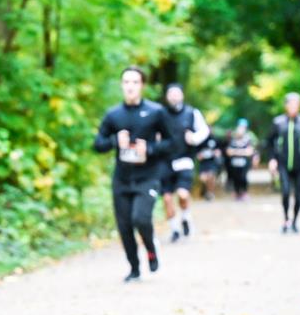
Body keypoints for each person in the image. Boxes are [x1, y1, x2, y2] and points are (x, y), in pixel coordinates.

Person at [94, 66, 174, 282]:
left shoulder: (156, 112)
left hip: (148, 176)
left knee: (140, 218)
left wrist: (149, 149)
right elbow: (98, 144)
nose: (130, 86)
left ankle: (151, 250)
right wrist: (114, 141)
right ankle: (134, 268)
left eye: (135, 82)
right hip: (122, 179)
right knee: (125, 226)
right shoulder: (113, 114)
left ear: (142, 86)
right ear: (122, 85)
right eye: (126, 82)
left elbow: (172, 143)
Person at [159, 83, 209, 242]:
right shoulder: (160, 114)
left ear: (182, 95)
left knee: (182, 194)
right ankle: (174, 229)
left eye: (177, 93)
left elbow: (204, 130)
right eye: (171, 93)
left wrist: (193, 138)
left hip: (185, 159)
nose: (174, 96)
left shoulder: (192, 113)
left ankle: (186, 217)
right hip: (165, 161)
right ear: (167, 96)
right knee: (167, 199)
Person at [265, 92, 300, 233]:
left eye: (296, 104)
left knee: (298, 196)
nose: (293, 107)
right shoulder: (278, 122)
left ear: (299, 106)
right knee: (286, 192)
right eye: (291, 104)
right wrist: (272, 159)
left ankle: (295, 222)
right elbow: (269, 142)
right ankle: (286, 219)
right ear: (286, 106)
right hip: (283, 164)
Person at [225, 119, 259, 200]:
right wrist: (241, 152)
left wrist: (237, 152)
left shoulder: (250, 136)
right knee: (235, 177)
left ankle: (244, 192)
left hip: (244, 162)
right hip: (234, 162)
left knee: (243, 177)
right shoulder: (233, 137)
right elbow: (228, 151)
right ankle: (237, 192)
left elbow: (252, 150)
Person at [195, 132, 223, 200]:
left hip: (212, 162)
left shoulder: (215, 139)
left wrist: (216, 153)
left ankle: (210, 193)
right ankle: (205, 191)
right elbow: (198, 156)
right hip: (203, 164)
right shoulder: (200, 140)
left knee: (211, 176)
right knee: (203, 179)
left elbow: (219, 151)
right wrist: (201, 155)